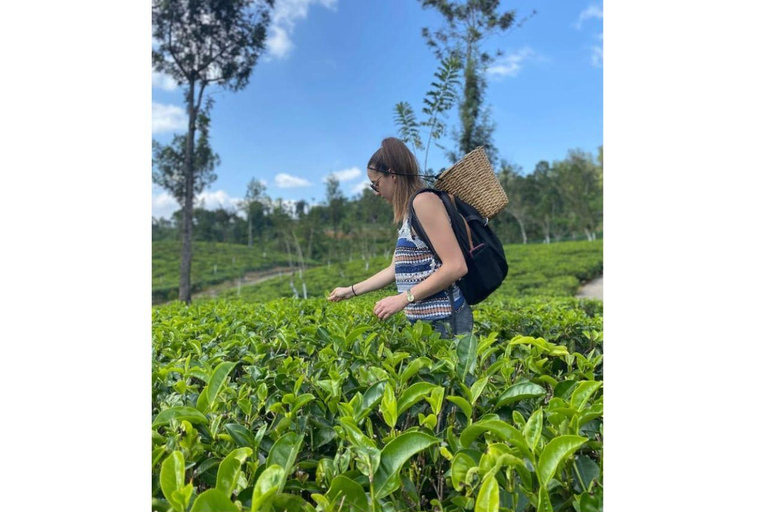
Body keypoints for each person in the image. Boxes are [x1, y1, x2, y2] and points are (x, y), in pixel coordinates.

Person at [327, 137, 473, 338]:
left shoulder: (424, 202)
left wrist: (404, 298)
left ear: (392, 175)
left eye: (375, 184)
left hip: (446, 321)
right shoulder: (409, 213)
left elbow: (456, 266)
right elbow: (393, 270)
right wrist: (350, 291)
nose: (376, 192)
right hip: (426, 324)